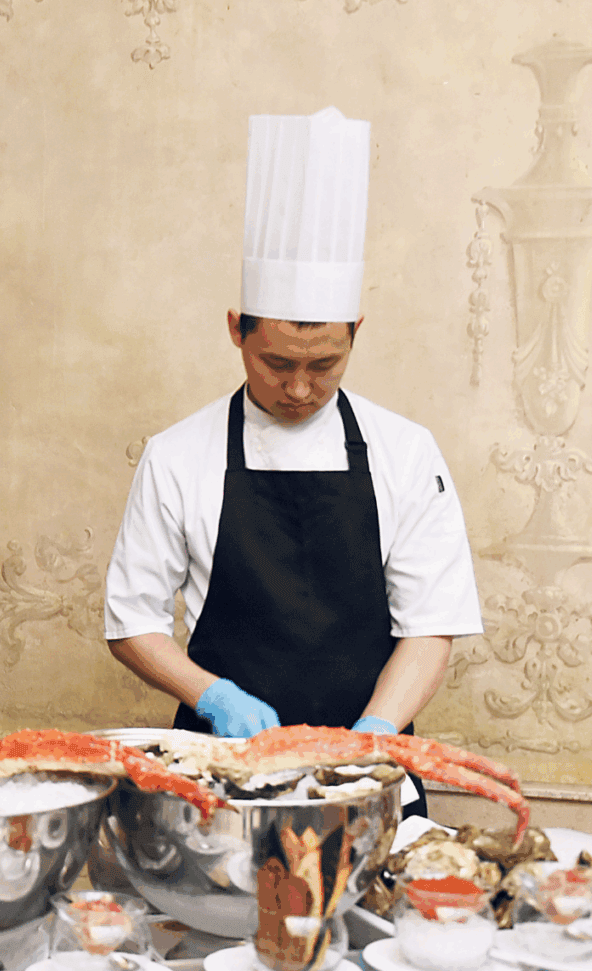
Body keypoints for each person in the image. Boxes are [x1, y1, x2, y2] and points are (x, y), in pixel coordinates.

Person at [103, 107, 482, 817]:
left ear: (356, 334)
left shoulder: (406, 452)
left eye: (325, 364)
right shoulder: (178, 455)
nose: (300, 388)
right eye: (277, 364)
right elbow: (132, 623)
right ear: (235, 331)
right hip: (220, 775)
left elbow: (432, 624)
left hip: (368, 776)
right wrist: (212, 696)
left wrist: (374, 735)